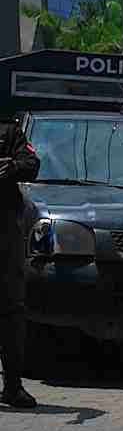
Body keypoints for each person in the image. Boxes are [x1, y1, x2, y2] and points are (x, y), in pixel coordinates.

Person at [0, 115, 40, 408]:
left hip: (3, 228)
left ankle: (12, 386)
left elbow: (32, 165)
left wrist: (14, 166)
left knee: (12, 308)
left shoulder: (9, 132)